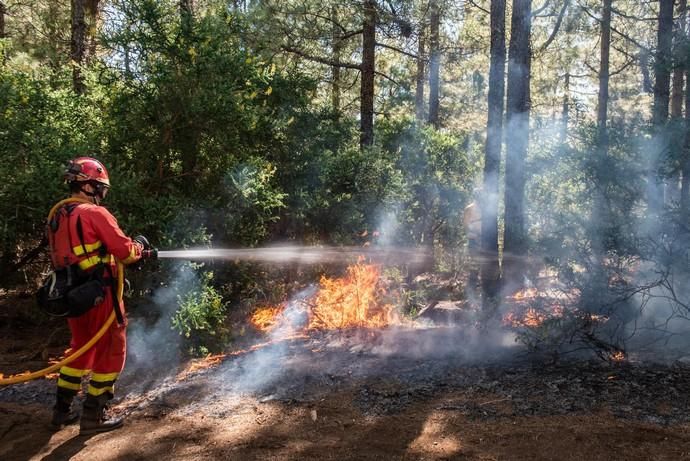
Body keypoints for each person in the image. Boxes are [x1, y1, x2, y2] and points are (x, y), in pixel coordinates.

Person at [48, 157, 150, 435]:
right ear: (89, 185)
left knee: (80, 347)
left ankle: (61, 410)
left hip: (72, 295)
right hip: (100, 294)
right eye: (101, 187)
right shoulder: (95, 214)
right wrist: (139, 247)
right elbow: (126, 252)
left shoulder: (59, 215)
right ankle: (94, 415)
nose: (103, 194)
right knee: (111, 350)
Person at [462, 191, 481, 288]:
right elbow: (466, 225)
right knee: (474, 265)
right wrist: (473, 234)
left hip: (485, 240)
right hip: (473, 240)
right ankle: (471, 290)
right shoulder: (469, 209)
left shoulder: (485, 209)